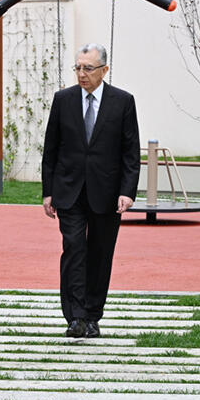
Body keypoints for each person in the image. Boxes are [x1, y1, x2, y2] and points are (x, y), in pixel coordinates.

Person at [41, 43, 140, 339]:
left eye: (88, 68)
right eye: (78, 68)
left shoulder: (122, 101)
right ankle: (75, 316)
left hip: (107, 193)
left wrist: (127, 191)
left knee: (100, 253)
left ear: (104, 70)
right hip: (69, 191)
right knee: (73, 249)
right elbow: (51, 148)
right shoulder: (63, 100)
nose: (82, 74)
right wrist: (48, 192)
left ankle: (93, 315)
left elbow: (130, 152)